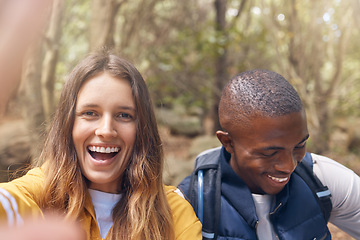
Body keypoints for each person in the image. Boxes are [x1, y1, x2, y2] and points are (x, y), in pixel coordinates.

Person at [0, 51, 202, 240]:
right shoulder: (39, 192)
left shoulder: (173, 213)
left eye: (124, 115)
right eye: (90, 113)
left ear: (142, 129)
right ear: (68, 124)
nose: (106, 130)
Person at [179, 69, 360, 240]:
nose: (288, 166)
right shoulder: (190, 203)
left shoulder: (321, 179)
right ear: (228, 142)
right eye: (269, 153)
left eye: (299, 145)